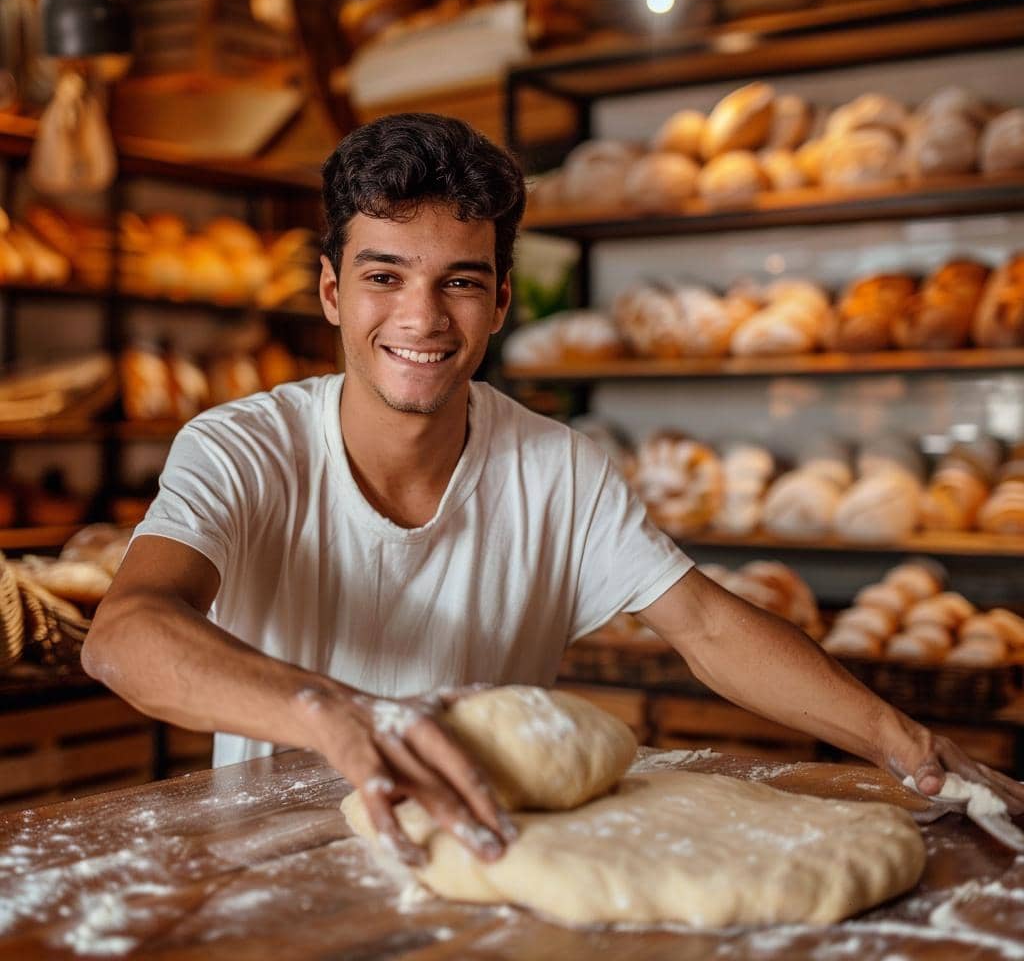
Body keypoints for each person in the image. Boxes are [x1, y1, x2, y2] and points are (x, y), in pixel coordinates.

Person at [83, 113, 1024, 868]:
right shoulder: (245, 448)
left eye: (459, 282)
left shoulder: (555, 467)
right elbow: (125, 636)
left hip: (487, 862)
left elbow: (703, 626)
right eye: (383, 277)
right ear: (332, 292)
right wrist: (340, 715)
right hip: (274, 872)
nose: (421, 317)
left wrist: (908, 744)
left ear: (498, 304)